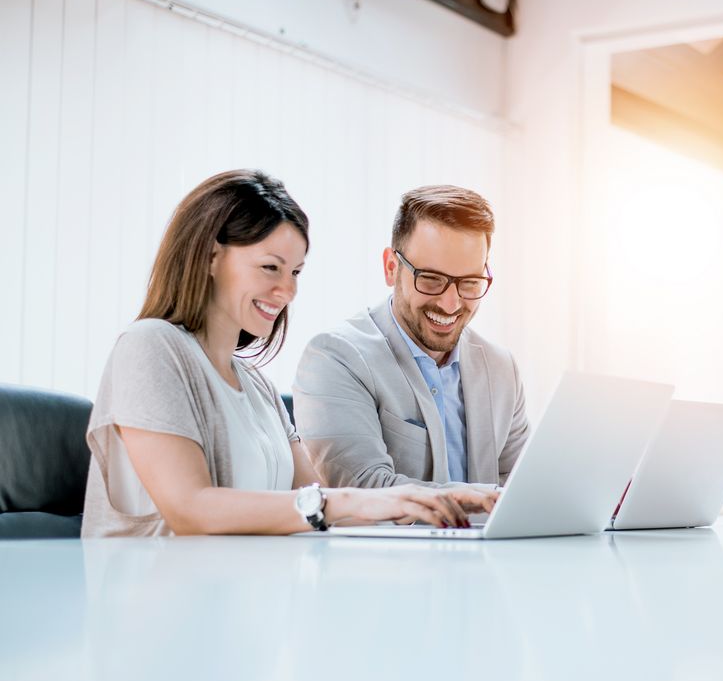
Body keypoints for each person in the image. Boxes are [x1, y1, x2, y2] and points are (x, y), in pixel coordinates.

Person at [81, 170, 495, 537]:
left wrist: (454, 496)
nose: (289, 290)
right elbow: (190, 509)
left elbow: (316, 496)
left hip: (243, 606)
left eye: (295, 272)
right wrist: (352, 502)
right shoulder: (149, 345)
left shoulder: (256, 384)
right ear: (210, 257)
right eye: (270, 268)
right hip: (154, 613)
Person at [293, 185, 530, 490]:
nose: (450, 304)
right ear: (392, 268)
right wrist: (488, 500)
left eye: (470, 282)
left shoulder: (501, 368)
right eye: (431, 280)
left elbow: (522, 489)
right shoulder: (335, 357)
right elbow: (365, 491)